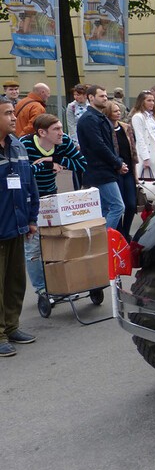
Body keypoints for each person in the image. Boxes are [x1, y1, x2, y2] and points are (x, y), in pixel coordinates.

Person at [20, 113, 87, 297]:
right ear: (42, 132)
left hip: (51, 196)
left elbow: (83, 164)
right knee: (33, 246)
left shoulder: (64, 141)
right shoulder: (25, 144)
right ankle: (42, 288)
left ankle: (58, 284)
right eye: (56, 129)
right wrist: (46, 166)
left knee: (55, 241)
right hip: (29, 200)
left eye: (61, 128)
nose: (61, 133)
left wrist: (54, 160)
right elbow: (22, 172)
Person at [0, 94, 38, 356]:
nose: (14, 117)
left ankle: (12, 326)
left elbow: (29, 184)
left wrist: (31, 218)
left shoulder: (17, 145)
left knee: (15, 281)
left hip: (16, 225)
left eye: (13, 112)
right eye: (7, 114)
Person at [76, 84, 128, 230]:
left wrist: (117, 163)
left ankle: (102, 244)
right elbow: (98, 146)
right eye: (101, 96)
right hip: (99, 170)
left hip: (105, 169)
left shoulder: (99, 117)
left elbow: (109, 145)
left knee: (105, 209)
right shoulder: (89, 119)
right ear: (91, 98)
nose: (105, 98)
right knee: (117, 206)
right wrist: (117, 163)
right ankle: (104, 241)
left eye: (106, 96)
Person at [106, 101, 139, 242]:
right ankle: (119, 233)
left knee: (131, 204)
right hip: (116, 171)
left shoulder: (126, 127)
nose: (118, 113)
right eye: (115, 111)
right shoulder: (106, 129)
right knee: (119, 205)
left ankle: (126, 231)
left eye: (119, 110)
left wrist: (135, 169)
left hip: (129, 170)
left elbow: (132, 149)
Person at [130, 89, 155, 180]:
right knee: (147, 182)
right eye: (149, 100)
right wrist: (145, 158)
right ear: (142, 102)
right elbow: (140, 138)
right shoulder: (138, 116)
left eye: (153, 100)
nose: (152, 103)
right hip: (147, 152)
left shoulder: (151, 116)